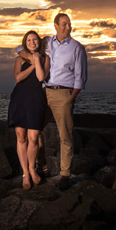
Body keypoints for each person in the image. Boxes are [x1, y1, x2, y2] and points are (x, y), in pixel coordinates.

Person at [43, 12, 87, 190]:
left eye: (69, 24)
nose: (67, 27)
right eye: (64, 24)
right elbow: (21, 47)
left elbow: (81, 76)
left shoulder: (77, 47)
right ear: (55, 25)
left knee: (65, 136)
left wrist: (71, 97)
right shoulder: (46, 42)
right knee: (35, 130)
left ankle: (65, 174)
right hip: (44, 92)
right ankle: (42, 167)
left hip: (64, 94)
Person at [7, 29, 47, 189]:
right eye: (29, 40)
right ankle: (25, 173)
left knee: (33, 137)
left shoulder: (45, 58)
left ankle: (32, 168)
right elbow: (17, 78)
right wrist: (31, 65)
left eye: (35, 40)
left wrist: (37, 60)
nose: (32, 43)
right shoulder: (19, 59)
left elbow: (41, 77)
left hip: (36, 99)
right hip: (19, 98)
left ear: (39, 42)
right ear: (25, 42)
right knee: (21, 136)